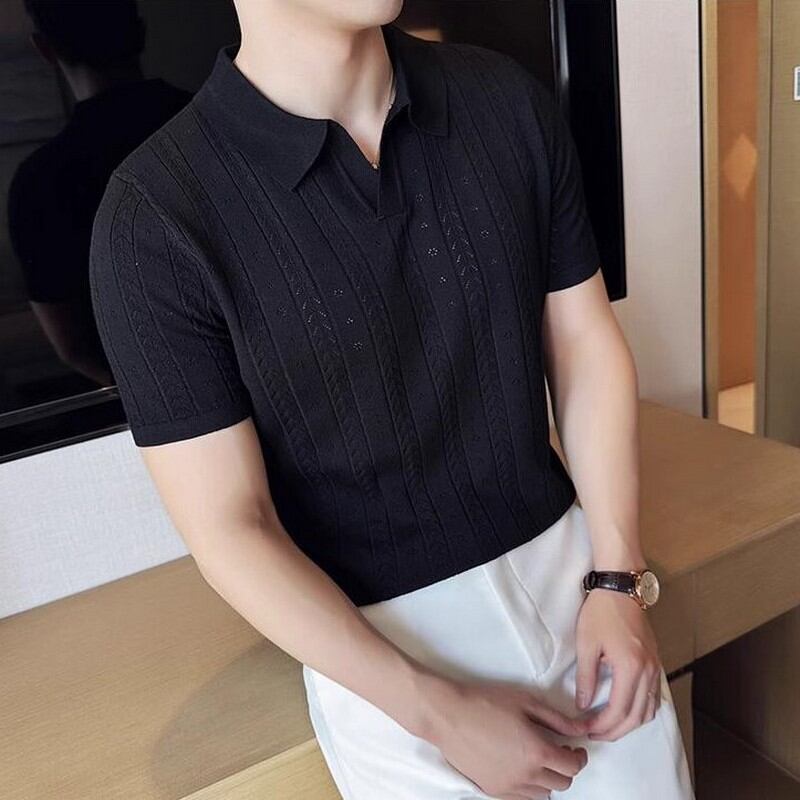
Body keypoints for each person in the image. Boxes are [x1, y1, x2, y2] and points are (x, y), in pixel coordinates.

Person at [88, 2, 695, 798]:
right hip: (381, 655)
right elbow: (231, 527)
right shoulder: (154, 219)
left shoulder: (503, 101)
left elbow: (583, 341)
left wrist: (618, 578)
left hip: (577, 581)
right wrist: (435, 713)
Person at [8, 0, 190, 386]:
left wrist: (156, 399)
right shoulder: (216, 128)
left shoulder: (41, 183)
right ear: (139, 31)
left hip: (150, 400)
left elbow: (73, 347)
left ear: (44, 49)